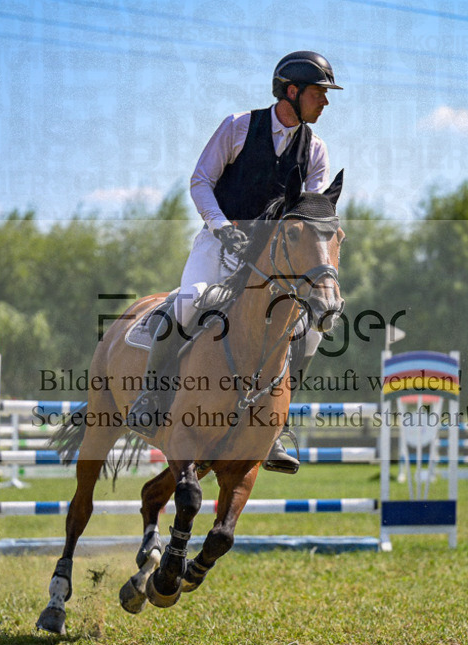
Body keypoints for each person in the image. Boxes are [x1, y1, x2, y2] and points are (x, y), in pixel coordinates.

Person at [127, 51, 342, 474]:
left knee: (310, 335)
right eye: (319, 93)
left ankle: (274, 426)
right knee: (190, 301)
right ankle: (151, 396)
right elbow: (200, 180)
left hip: (272, 265)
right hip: (219, 246)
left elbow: (313, 213)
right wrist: (221, 226)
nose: (326, 103)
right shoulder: (238, 126)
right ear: (292, 92)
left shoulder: (316, 150)